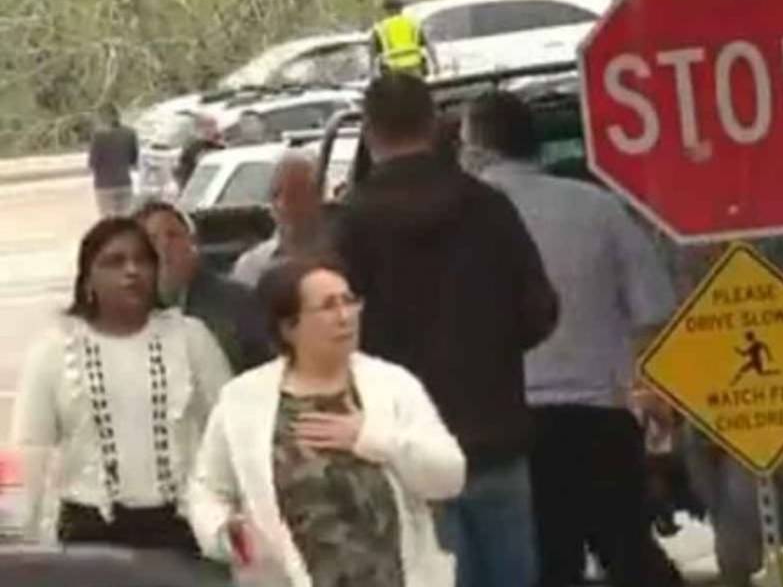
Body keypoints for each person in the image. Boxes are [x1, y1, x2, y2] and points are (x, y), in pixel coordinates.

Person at [333, 73, 559, 587]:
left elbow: (329, 334)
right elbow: (539, 310)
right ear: (435, 125)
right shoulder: (488, 208)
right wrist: (490, 349)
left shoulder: (351, 223)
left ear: (369, 132)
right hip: (495, 433)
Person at [460, 90, 682, 587]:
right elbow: (654, 309)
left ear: (476, 147)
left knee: (545, 567)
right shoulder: (599, 209)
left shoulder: (464, 221)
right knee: (630, 555)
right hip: (601, 419)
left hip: (509, 433)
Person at [188, 257, 465, 587]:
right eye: (328, 307)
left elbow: (449, 476)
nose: (345, 316)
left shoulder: (392, 384)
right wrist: (225, 532)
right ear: (289, 327)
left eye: (349, 301)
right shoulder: (242, 400)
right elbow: (207, 488)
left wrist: (372, 438)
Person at [11, 218, 231, 550]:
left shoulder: (190, 338)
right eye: (115, 262)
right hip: (90, 533)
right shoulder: (55, 350)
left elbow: (229, 432)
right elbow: (32, 449)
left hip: (182, 527)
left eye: (143, 260)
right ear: (88, 279)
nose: (132, 271)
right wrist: (27, 539)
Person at [136, 201, 271, 373]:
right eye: (152, 239)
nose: (164, 246)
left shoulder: (237, 303)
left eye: (173, 235)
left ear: (192, 243)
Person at [231, 151, 327, 288]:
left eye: (296, 194)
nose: (283, 204)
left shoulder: (342, 256)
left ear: (319, 197)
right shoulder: (252, 266)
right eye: (276, 194)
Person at [88, 103, 139, 217]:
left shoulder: (99, 136)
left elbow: (92, 163)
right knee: (125, 220)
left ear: (103, 117)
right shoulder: (130, 133)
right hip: (124, 183)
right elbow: (134, 160)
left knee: (108, 222)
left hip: (104, 185)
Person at [371, 0, 429, 76]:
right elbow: (428, 44)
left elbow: (372, 52)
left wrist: (372, 72)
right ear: (401, 9)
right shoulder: (413, 22)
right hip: (415, 66)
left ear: (387, 11)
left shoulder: (380, 27)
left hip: (393, 69)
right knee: (415, 87)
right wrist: (436, 65)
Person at [175, 114, 224, 191]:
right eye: (206, 126)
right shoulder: (193, 147)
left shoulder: (221, 146)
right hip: (195, 187)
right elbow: (182, 172)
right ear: (198, 128)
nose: (209, 129)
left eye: (212, 125)